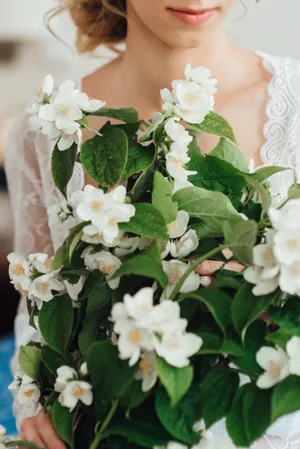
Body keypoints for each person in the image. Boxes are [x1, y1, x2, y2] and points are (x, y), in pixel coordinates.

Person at [5, 0, 300, 448]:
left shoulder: (293, 107)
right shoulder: (44, 128)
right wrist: (37, 406)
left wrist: (269, 287)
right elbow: (39, 305)